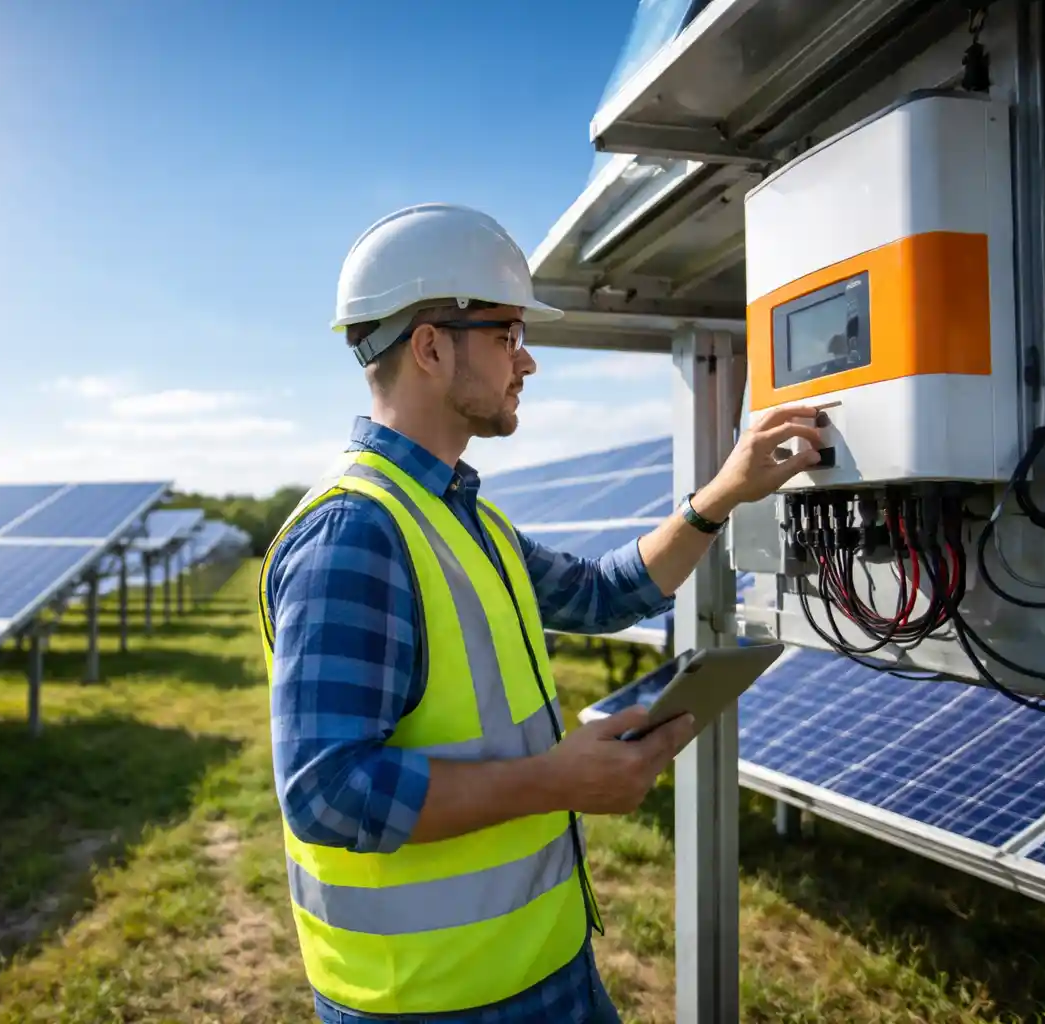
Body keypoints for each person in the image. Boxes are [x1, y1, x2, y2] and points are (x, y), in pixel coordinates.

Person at [257, 202, 823, 1024]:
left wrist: (723, 492)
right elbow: (328, 793)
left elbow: (603, 592)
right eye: (507, 335)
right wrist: (553, 780)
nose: (528, 363)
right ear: (429, 345)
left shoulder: (465, 517)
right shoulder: (356, 535)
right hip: (433, 999)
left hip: (543, 962)